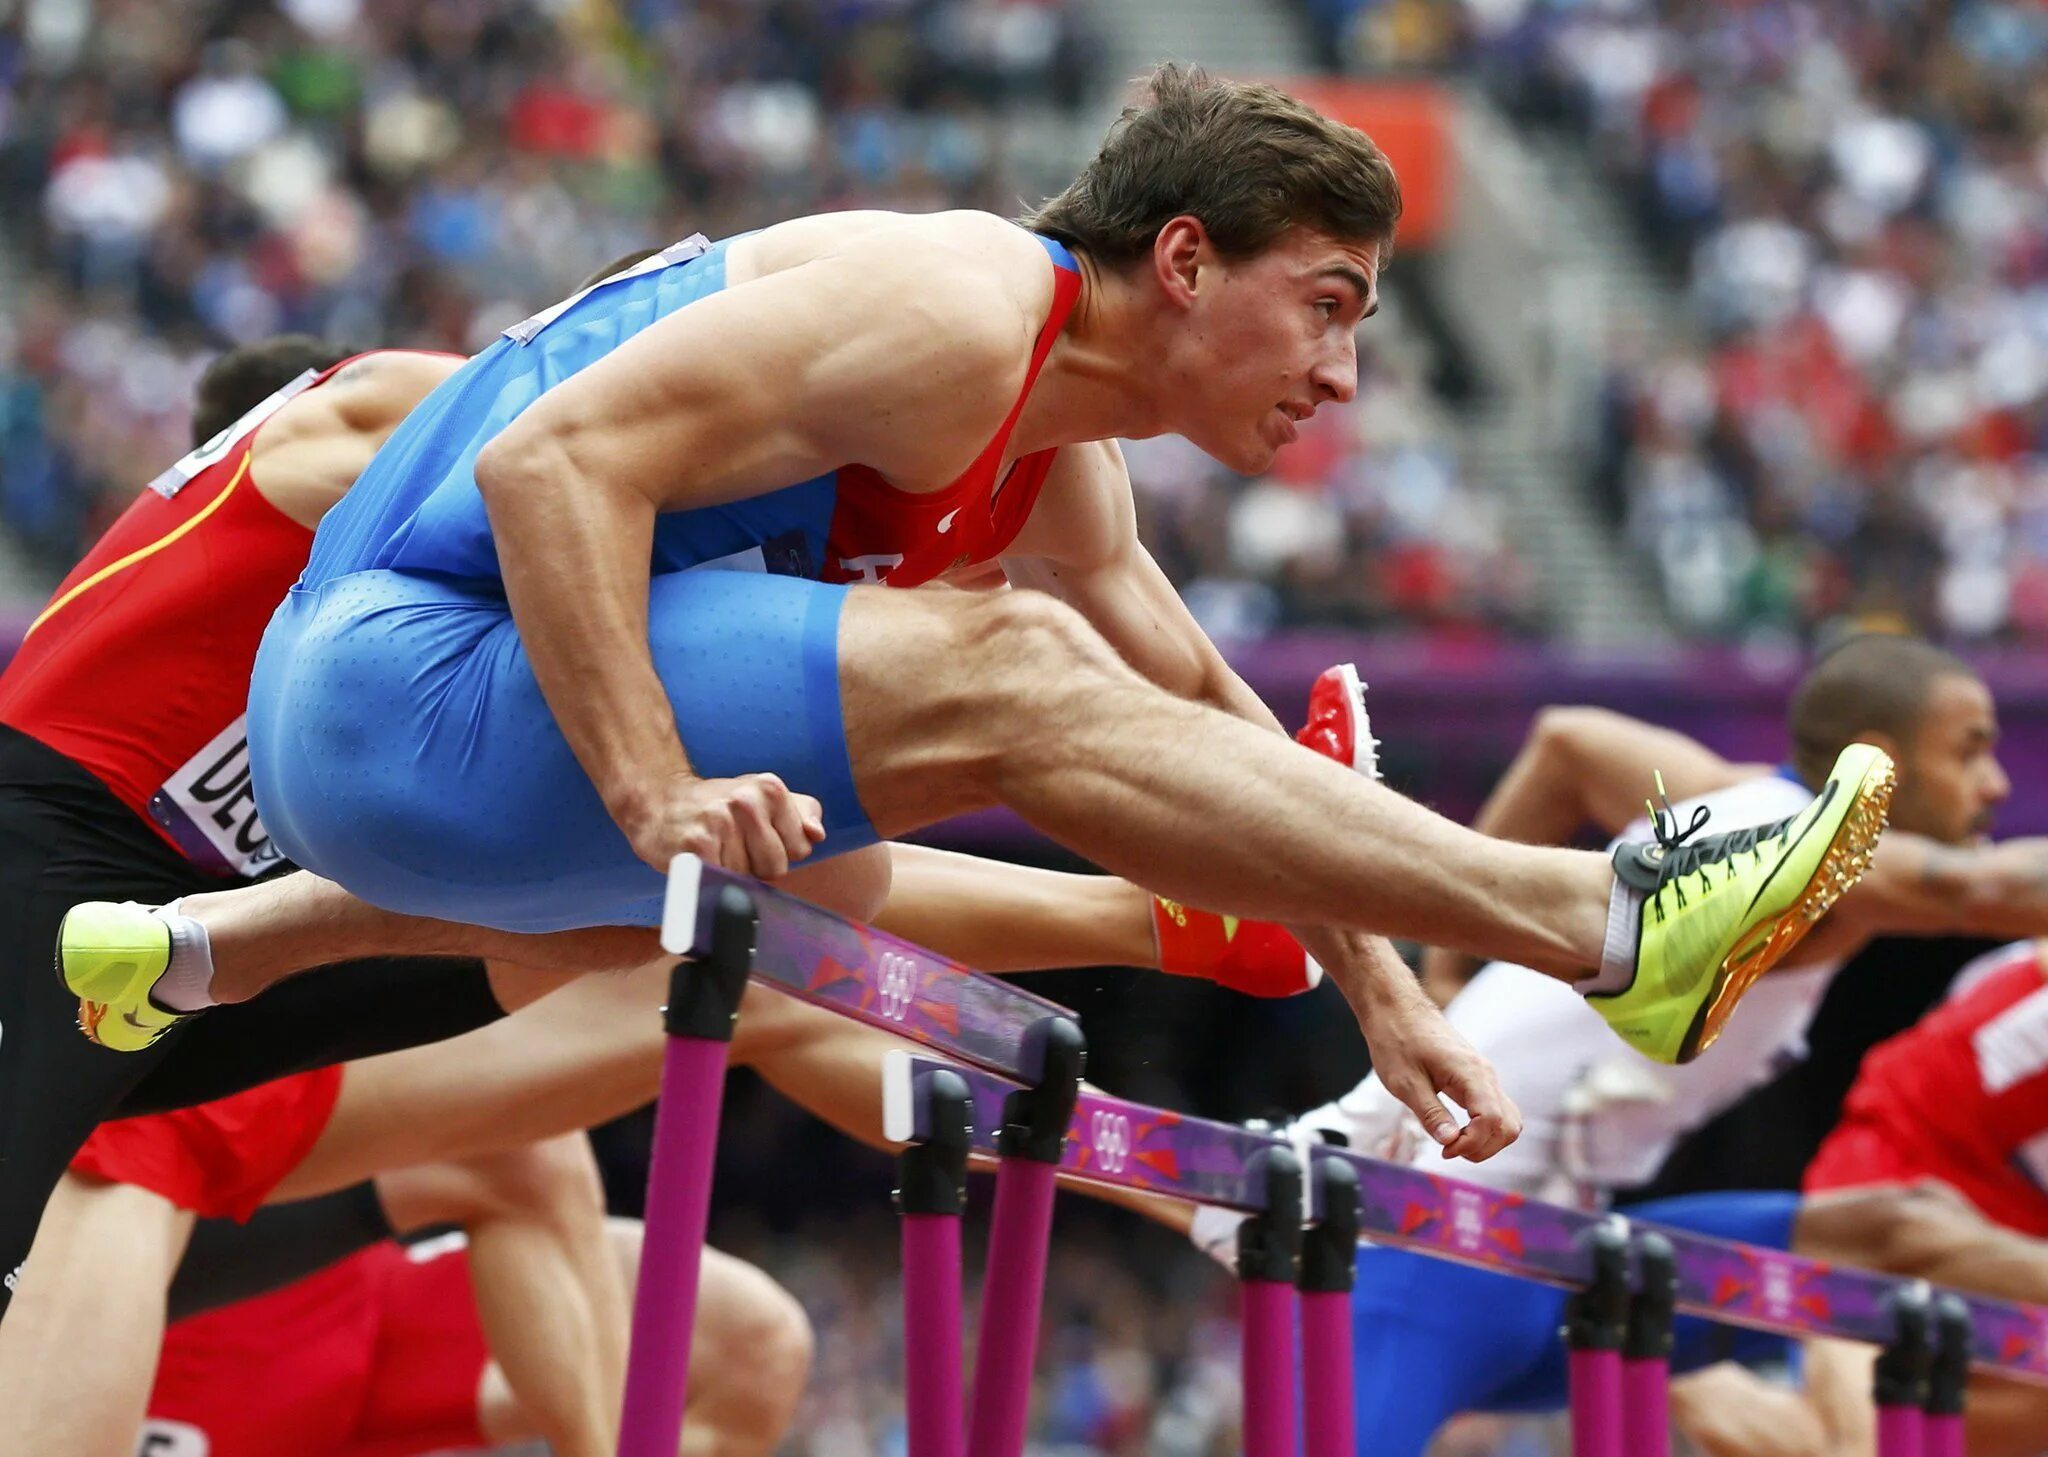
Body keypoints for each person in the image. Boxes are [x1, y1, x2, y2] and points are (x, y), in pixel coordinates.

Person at [70, 69, 1891, 1173]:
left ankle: (226, 946)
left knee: (860, 866)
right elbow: (553, 474)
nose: (1341, 377)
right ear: (1181, 260)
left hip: (419, 788)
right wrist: (654, 797)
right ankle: (1603, 922)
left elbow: (1208, 701)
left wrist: (1386, 998)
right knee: (1001, 677)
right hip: (386, 683)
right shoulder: (949, 308)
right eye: (1323, 308)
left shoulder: (1053, 439)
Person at [0, 330, 1312, 1333]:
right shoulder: (403, 419)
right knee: (706, 929)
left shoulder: (459, 555)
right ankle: (1165, 934)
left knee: (720, 907)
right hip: (58, 871)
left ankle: (1174, 924)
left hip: (191, 952)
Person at [1173, 635, 2048, 1457]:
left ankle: (1748, 1408)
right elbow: (1990, 887)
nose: (1997, 785)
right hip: (1431, 1252)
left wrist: (1450, 973)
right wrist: (1446, 975)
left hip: (1569, 1254)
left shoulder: (1720, 791)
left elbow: (1567, 743)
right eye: (1969, 750)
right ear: (1878, 760)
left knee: (1898, 1226)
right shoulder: (1819, 857)